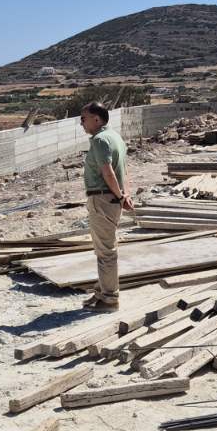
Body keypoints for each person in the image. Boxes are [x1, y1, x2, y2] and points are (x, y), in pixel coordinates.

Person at [78, 101, 131, 311]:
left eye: (83, 118)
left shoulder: (100, 140)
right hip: (111, 199)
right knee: (104, 248)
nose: (81, 123)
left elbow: (108, 173)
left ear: (96, 119)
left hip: (102, 199)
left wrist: (120, 196)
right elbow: (123, 170)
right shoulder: (115, 137)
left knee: (105, 252)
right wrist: (124, 195)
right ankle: (102, 291)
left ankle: (109, 299)